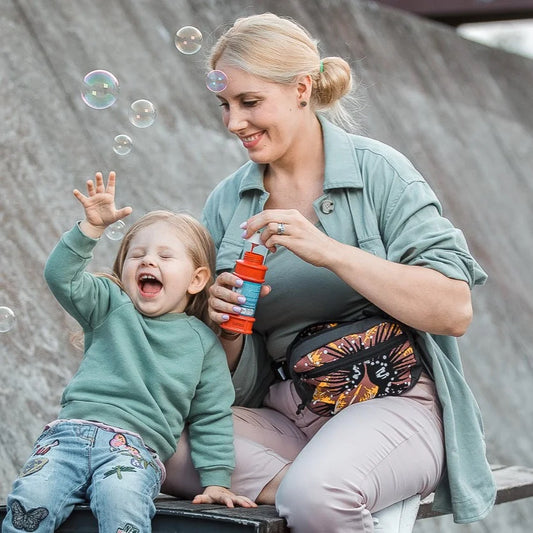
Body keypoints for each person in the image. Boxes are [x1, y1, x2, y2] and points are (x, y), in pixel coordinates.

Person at [161, 12, 496, 532]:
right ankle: (319, 490)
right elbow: (213, 370)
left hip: (395, 400)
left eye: (250, 103)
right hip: (287, 412)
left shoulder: (379, 172)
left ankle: (321, 490)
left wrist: (331, 251)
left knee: (319, 494)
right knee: (148, 440)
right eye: (225, 105)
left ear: (301, 89)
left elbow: (453, 309)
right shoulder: (228, 202)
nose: (233, 123)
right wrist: (222, 324)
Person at [2, 171, 255, 533]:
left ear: (197, 280)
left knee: (123, 504)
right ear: (124, 269)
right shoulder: (109, 306)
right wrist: (90, 228)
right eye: (138, 255)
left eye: (165, 256)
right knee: (31, 499)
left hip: (134, 452)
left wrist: (216, 480)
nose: (148, 261)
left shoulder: (203, 344)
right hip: (68, 438)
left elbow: (211, 416)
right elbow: (61, 276)